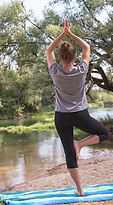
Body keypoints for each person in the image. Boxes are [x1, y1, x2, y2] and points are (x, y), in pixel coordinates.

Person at [46, 19, 109, 196]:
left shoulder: (55, 72)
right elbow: (87, 48)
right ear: (75, 57)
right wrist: (71, 34)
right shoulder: (82, 70)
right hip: (80, 114)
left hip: (61, 117)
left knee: (69, 155)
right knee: (104, 134)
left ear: (60, 58)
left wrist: (62, 35)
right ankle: (80, 144)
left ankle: (80, 190)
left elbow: (49, 50)